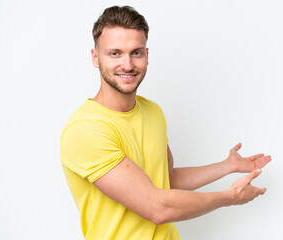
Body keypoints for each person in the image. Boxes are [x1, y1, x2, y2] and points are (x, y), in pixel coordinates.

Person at [61, 5, 272, 240]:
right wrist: (229, 197)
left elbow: (167, 179)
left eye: (136, 52)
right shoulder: (86, 129)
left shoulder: (153, 112)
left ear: (147, 55)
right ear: (95, 57)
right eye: (115, 53)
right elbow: (157, 206)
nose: (128, 64)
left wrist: (226, 166)